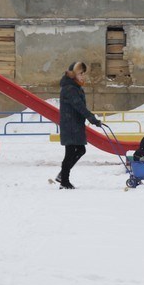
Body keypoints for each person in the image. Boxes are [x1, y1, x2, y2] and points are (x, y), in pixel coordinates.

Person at [56, 61, 101, 189]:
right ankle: (64, 181)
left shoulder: (75, 87)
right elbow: (79, 107)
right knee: (70, 152)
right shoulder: (70, 89)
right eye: (80, 73)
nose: (83, 76)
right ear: (73, 75)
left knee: (80, 150)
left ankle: (62, 176)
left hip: (74, 124)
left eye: (83, 74)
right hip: (70, 125)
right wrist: (93, 119)